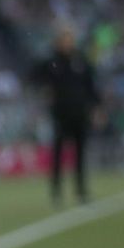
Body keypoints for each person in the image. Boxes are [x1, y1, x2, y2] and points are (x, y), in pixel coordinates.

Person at [36, 25, 102, 205]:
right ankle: (56, 192)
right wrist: (43, 92)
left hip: (80, 114)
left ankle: (81, 191)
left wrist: (97, 108)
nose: (67, 42)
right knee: (58, 154)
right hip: (60, 115)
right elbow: (36, 79)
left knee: (80, 154)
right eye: (64, 38)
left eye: (69, 38)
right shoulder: (52, 62)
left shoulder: (81, 61)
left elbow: (92, 87)